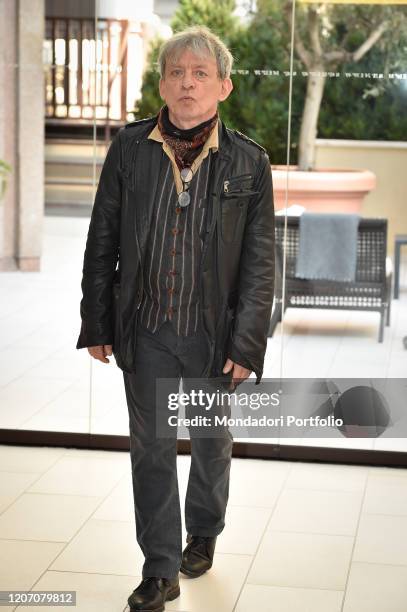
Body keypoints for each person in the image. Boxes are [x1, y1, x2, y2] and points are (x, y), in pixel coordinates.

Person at [76, 24, 275, 612]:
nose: (187, 84)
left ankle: (204, 530)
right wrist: (98, 321)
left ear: (224, 87)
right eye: (176, 74)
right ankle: (158, 569)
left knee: (211, 442)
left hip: (216, 335)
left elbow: (262, 263)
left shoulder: (248, 162)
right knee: (153, 449)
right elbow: (101, 240)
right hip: (149, 328)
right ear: (161, 84)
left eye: (200, 74)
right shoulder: (129, 149)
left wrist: (247, 343)